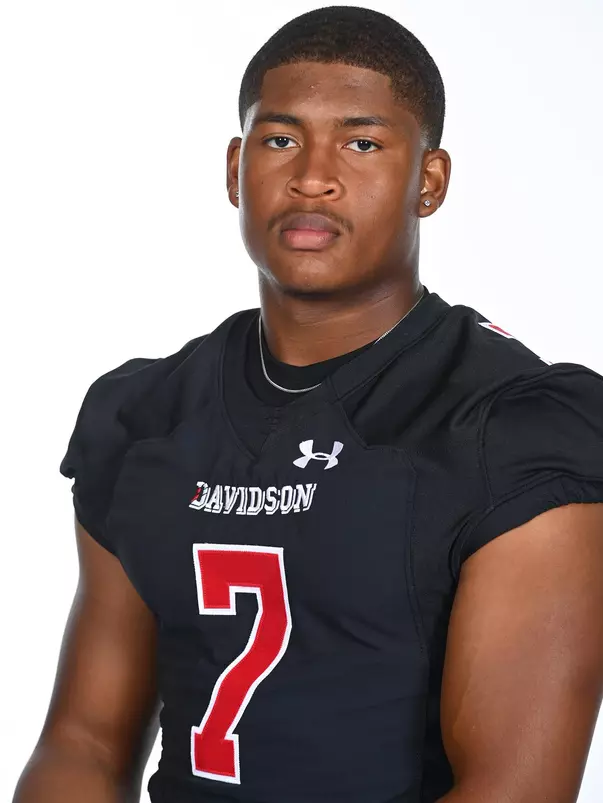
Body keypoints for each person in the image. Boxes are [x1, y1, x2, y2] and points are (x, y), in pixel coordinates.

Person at [13, 6, 603, 803]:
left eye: (361, 142)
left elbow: (514, 788)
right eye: (280, 138)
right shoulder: (145, 412)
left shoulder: (514, 424)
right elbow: (82, 741)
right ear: (234, 169)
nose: (312, 174)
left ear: (426, 181)